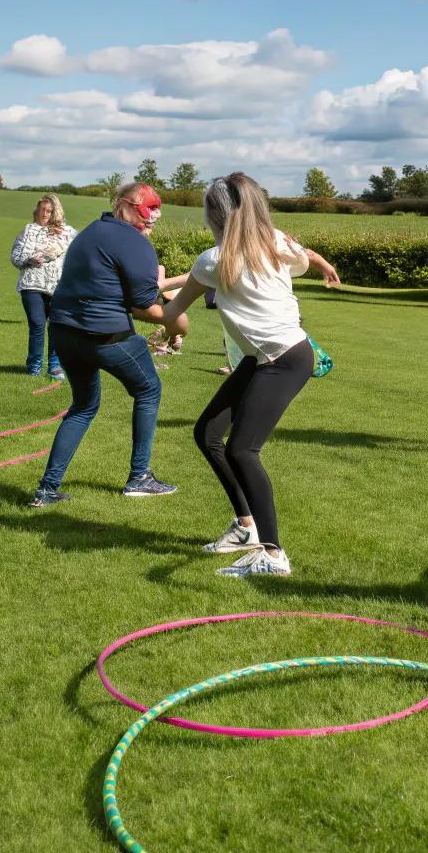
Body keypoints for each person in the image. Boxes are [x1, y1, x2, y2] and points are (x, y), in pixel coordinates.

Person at [162, 172, 340, 577]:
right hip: (274, 355)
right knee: (208, 432)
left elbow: (173, 315)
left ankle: (273, 555)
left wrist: (132, 305)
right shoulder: (273, 241)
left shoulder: (214, 260)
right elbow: (303, 258)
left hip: (283, 359)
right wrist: (318, 262)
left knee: (243, 449)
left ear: (214, 216)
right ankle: (245, 528)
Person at [28, 183, 185, 509]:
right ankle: (139, 477)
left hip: (64, 332)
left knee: (84, 406)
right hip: (106, 336)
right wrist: (170, 307)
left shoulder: (88, 233)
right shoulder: (136, 244)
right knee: (148, 390)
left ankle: (47, 489)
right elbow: (142, 302)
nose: (153, 217)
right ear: (125, 205)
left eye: (157, 210)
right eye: (148, 209)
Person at [10, 195, 76, 379]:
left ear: (56, 212)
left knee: (56, 325)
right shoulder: (29, 230)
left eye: (49, 211)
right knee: (37, 324)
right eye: (42, 210)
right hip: (31, 285)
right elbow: (15, 257)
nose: (45, 214)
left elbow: (79, 254)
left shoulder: (68, 233)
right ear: (37, 211)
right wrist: (28, 260)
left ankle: (54, 366)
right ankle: (34, 366)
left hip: (58, 287)